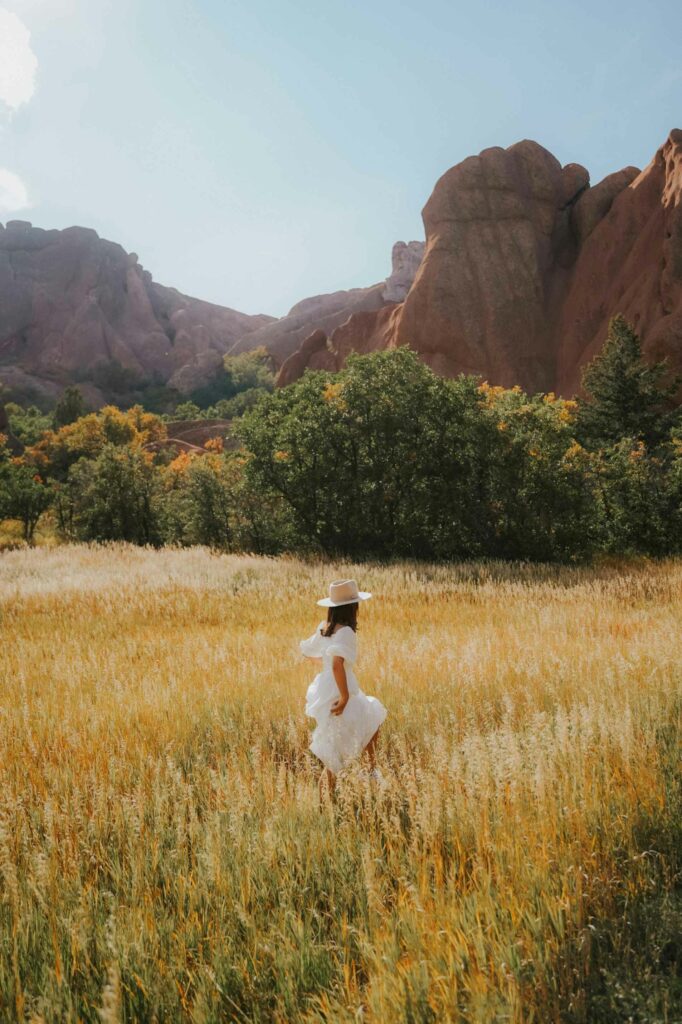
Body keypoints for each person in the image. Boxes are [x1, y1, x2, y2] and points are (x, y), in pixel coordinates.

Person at [300, 578, 387, 796]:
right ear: (352, 607)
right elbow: (338, 663)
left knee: (358, 731)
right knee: (370, 720)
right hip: (340, 689)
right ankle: (370, 773)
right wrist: (345, 695)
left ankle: (369, 773)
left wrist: (327, 665)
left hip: (328, 687)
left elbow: (309, 652)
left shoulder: (325, 628)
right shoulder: (346, 632)